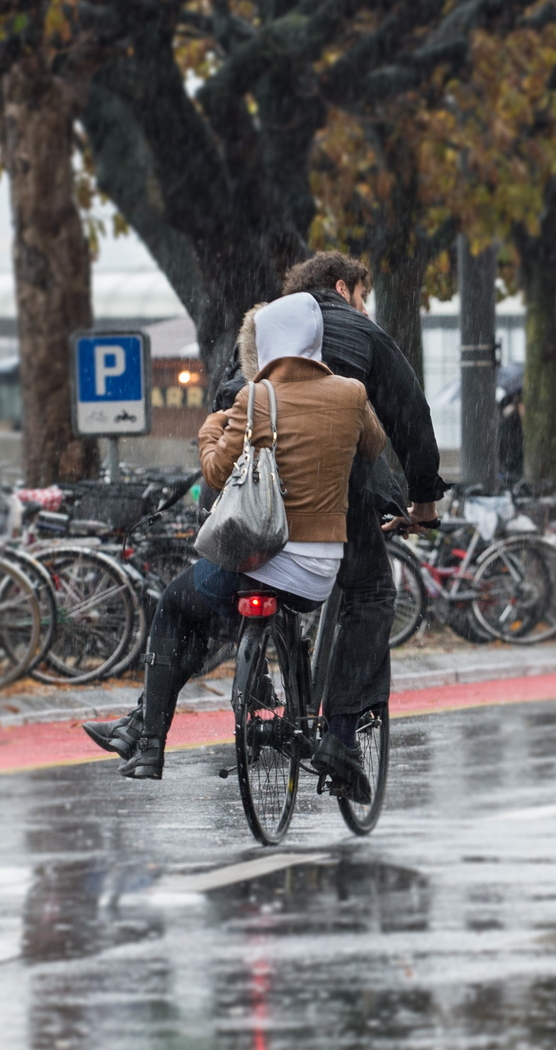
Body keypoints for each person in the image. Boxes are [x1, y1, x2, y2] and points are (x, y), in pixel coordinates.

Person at [85, 252, 447, 796]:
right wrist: (421, 500)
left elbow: (227, 419)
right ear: (344, 289)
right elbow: (408, 417)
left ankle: (150, 721)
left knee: (195, 600)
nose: (365, 307)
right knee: (370, 594)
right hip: (335, 506)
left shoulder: (261, 347)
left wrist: (222, 443)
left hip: (249, 514)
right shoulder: (358, 344)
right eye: (364, 297)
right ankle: (342, 738)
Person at [111, 291, 385, 785]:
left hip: (258, 558)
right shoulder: (351, 394)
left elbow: (216, 473)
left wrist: (210, 430)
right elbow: (374, 444)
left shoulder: (254, 398)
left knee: (176, 604)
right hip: (320, 570)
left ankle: (149, 743)